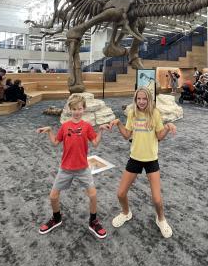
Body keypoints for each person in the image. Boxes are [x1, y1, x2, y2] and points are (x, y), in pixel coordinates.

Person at [36, 95, 110, 238]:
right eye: (74, 109)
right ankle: (56, 218)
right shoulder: (65, 126)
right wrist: (49, 130)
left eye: (80, 109)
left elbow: (94, 143)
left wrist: (101, 131)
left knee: (93, 195)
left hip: (83, 168)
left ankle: (93, 221)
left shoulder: (87, 126)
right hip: (65, 168)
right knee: (53, 196)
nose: (77, 111)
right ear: (70, 110)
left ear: (84, 109)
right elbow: (56, 142)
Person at [109, 87, 176, 238]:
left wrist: (167, 127)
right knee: (120, 193)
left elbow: (159, 136)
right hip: (135, 158)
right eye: (138, 99)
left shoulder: (155, 113)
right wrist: (119, 123)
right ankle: (126, 213)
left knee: (157, 200)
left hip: (151, 160)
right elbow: (127, 135)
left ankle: (161, 219)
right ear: (135, 99)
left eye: (144, 99)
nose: (141, 101)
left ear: (149, 99)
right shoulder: (132, 113)